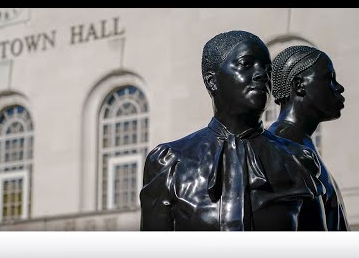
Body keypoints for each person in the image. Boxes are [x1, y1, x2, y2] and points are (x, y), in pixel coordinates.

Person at [140, 30, 326, 231]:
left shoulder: (298, 161)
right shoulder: (171, 163)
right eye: (246, 64)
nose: (262, 75)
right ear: (212, 81)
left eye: (267, 69)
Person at [268, 45, 349, 231]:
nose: (339, 88)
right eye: (330, 79)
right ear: (299, 85)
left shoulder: (298, 144)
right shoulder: (280, 149)